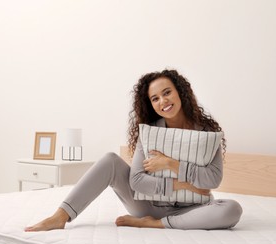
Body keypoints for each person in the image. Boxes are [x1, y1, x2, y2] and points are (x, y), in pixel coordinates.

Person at [25, 69, 242, 232]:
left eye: (167, 93)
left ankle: (157, 224)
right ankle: (60, 216)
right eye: (155, 98)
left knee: (232, 209)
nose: (163, 101)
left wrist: (170, 164)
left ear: (181, 93)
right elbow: (137, 181)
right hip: (147, 205)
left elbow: (213, 180)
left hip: (192, 211)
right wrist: (183, 185)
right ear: (150, 104)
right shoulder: (149, 133)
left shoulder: (207, 132)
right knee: (110, 160)